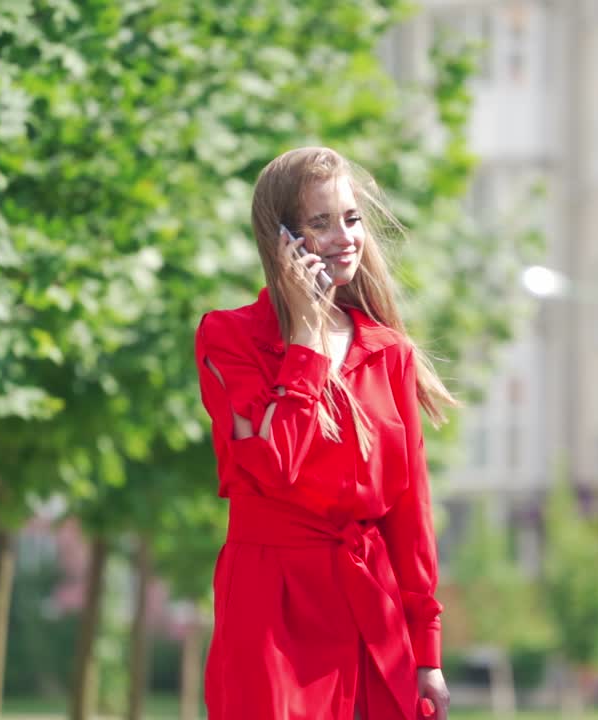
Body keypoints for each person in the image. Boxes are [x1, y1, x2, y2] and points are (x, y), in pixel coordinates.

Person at [195, 146, 455, 720]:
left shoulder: (389, 353)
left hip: (370, 606)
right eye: (320, 222)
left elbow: (409, 515)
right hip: (272, 608)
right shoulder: (228, 338)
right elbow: (273, 464)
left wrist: (427, 652)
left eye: (351, 218)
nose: (344, 237)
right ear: (281, 239)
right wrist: (308, 341)